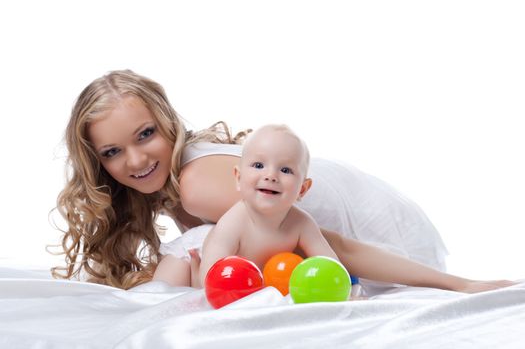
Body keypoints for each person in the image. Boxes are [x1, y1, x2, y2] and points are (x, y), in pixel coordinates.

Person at [52, 69, 514, 293]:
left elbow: (330, 244)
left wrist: (459, 285)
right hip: (356, 235)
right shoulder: (176, 184)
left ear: (169, 122)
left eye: (146, 134)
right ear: (97, 164)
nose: (135, 160)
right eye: (112, 152)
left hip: (379, 240)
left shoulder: (196, 182)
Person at [157, 124, 340, 287]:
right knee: (163, 295)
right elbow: (212, 275)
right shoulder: (235, 221)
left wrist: (342, 289)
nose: (270, 175)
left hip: (246, 278)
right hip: (192, 258)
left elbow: (331, 264)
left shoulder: (302, 224)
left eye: (285, 170)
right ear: (238, 178)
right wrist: (199, 283)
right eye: (259, 165)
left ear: (302, 189)